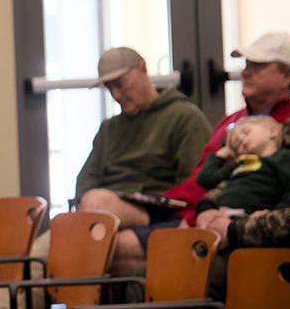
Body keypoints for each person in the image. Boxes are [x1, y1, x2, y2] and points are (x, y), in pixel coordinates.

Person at [109, 31, 290, 275]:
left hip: (234, 226)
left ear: (287, 76)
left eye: (258, 66)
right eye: (245, 64)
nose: (245, 72)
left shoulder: (288, 132)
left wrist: (201, 219)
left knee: (115, 244)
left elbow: (265, 190)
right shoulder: (233, 121)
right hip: (194, 210)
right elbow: (206, 178)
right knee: (101, 228)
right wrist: (200, 210)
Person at [73, 47, 211, 228]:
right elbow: (86, 182)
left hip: (158, 213)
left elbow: (196, 182)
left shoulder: (184, 117)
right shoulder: (109, 128)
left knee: (96, 205)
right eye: (109, 88)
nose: (116, 95)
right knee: (40, 249)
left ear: (143, 69)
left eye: (120, 84)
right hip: (105, 209)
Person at [194, 116, 290, 219]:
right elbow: (205, 179)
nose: (241, 139)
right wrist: (221, 154)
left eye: (246, 132)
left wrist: (277, 213)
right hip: (221, 214)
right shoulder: (239, 165)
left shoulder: (284, 157)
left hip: (251, 219)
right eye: (237, 145)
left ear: (273, 131)